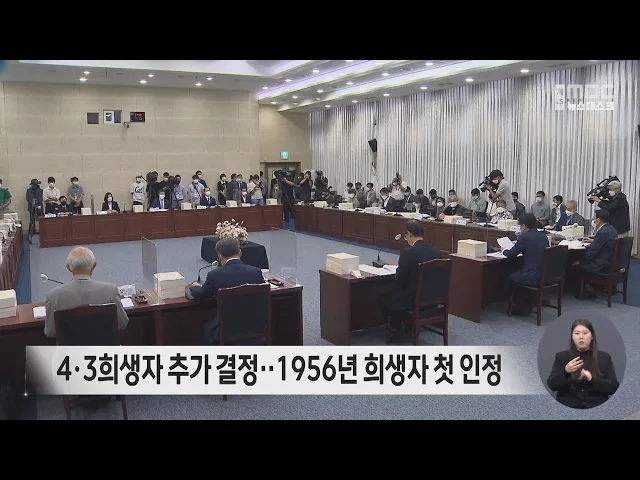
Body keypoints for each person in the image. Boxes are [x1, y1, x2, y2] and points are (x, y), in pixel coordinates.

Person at [187, 238, 265, 345]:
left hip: (225, 331)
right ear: (240, 252)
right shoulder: (256, 272)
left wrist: (194, 286)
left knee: (202, 326)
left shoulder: (215, 275)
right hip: (255, 328)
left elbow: (202, 294)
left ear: (219, 256)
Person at [44, 247, 129, 338]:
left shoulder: (53, 296)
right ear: (94, 265)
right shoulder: (111, 291)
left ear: (68, 267)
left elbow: (50, 332)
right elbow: (122, 324)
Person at [378, 220, 441, 341]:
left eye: (405, 236)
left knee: (383, 299)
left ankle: (395, 330)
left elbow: (399, 280)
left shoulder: (407, 253)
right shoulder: (436, 251)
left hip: (412, 302)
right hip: (432, 302)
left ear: (409, 234)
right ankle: (409, 327)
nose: (406, 239)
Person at [547, 319, 618, 409]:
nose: (581, 337)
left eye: (585, 333)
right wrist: (566, 371)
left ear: (592, 336)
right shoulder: (561, 357)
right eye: (577, 333)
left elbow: (613, 387)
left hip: (596, 405)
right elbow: (552, 385)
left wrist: (592, 379)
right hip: (569, 405)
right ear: (572, 337)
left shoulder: (604, 357)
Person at [503, 213, 549, 314]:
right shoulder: (543, 236)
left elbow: (511, 254)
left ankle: (520, 306)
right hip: (545, 274)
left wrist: (504, 250)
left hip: (532, 275)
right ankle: (526, 302)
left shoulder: (524, 237)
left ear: (523, 226)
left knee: (507, 278)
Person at [573, 209, 617, 298]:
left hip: (602, 264)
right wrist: (594, 240)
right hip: (611, 261)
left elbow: (592, 252)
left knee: (575, 265)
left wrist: (581, 261)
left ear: (599, 220)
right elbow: (604, 242)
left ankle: (585, 291)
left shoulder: (602, 232)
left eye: (594, 217)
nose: (592, 219)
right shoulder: (610, 228)